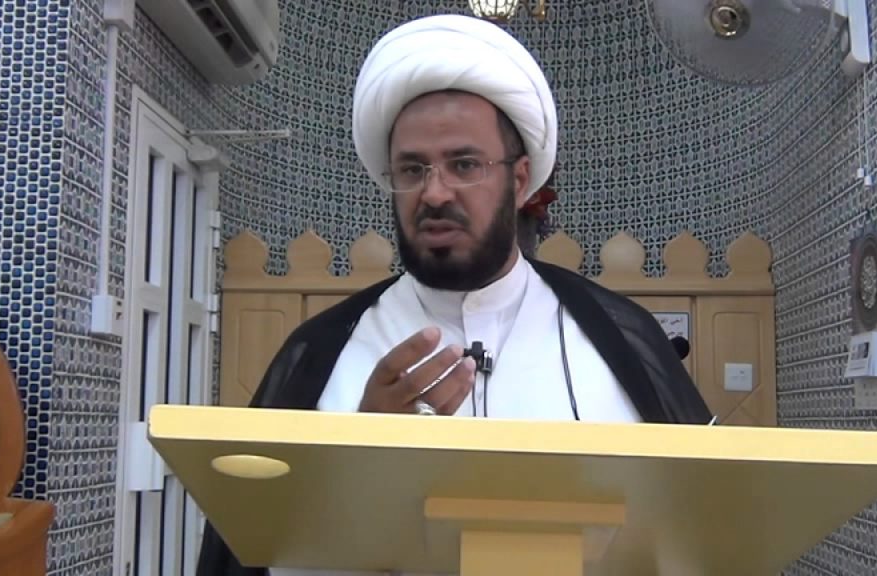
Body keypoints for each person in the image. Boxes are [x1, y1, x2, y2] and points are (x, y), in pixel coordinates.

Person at [196, 13, 712, 576]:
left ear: (520, 180)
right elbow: (258, 556)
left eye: (464, 164)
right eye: (412, 169)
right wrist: (354, 462)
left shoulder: (619, 339)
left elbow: (701, 536)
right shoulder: (321, 351)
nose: (435, 193)